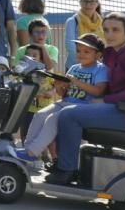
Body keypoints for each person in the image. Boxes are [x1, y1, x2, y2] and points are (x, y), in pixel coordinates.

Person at [49, 13, 125, 185]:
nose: (109, 35)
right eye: (106, 30)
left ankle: (66, 170)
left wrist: (105, 100)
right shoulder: (112, 53)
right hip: (120, 108)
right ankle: (60, 162)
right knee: (61, 109)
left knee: (69, 115)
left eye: (115, 30)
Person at [13, 33, 109, 165]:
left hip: (84, 107)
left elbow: (99, 91)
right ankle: (28, 149)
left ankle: (33, 151)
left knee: (52, 119)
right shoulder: (74, 68)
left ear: (98, 55)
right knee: (40, 114)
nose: (81, 54)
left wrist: (76, 81)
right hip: (65, 102)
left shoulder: (100, 69)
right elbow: (63, 93)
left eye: (86, 51)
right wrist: (59, 86)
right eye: (78, 51)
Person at [64, 0, 104, 69]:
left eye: (92, 1)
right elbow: (70, 46)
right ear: (80, 3)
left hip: (97, 68)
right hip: (76, 68)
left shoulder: (102, 22)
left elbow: (105, 45)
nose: (88, 5)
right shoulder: (72, 21)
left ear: (97, 4)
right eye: (85, 1)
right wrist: (86, 63)